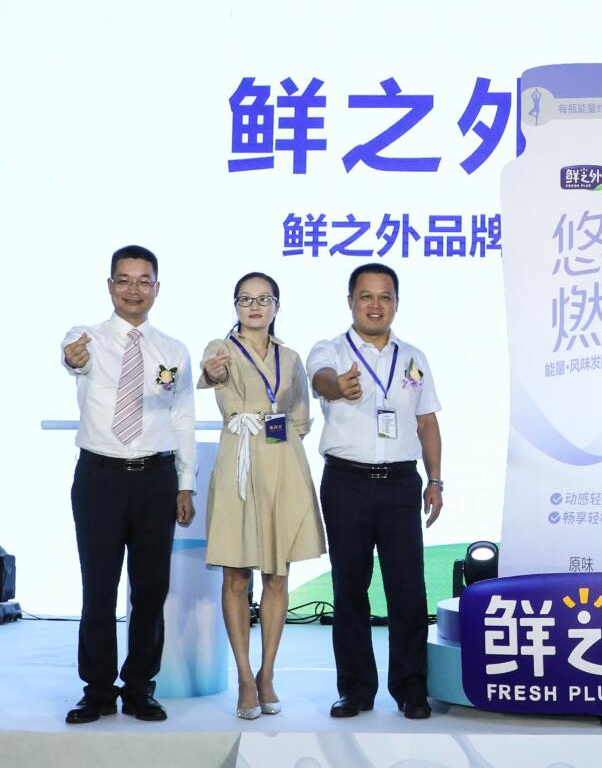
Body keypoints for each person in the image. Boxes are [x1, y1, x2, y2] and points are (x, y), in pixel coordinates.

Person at [60, 245, 196, 724]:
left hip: (156, 479)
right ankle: (97, 689)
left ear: (156, 288)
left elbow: (182, 419)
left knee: (150, 590)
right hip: (99, 478)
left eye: (143, 281)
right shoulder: (86, 338)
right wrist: (72, 357)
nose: (133, 289)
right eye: (124, 280)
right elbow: (72, 359)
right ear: (110, 286)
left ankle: (140, 687)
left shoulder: (173, 351)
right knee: (98, 588)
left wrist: (185, 483)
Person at [306, 263, 443, 720]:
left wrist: (436, 480)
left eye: (385, 297)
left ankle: (411, 689)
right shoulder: (330, 349)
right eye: (366, 296)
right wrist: (338, 387)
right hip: (346, 484)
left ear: (396, 303)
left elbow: (427, 423)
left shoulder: (413, 357)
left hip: (402, 484)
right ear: (351, 301)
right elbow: (320, 378)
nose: (375, 305)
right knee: (349, 588)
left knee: (409, 590)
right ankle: (356, 690)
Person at [198, 272, 326, 720]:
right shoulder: (221, 348)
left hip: (281, 459)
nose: (254, 307)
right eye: (245, 299)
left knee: (278, 572)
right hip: (238, 457)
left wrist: (281, 443)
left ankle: (267, 674)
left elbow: (301, 416)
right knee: (235, 574)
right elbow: (210, 372)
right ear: (235, 305)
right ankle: (243, 676)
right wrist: (213, 373)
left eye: (263, 299)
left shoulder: (290, 357)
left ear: (276, 306)